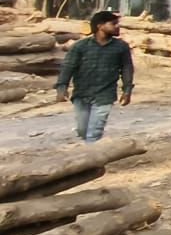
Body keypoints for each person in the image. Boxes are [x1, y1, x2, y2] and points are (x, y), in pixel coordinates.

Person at [55, 11, 134, 143]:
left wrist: (127, 91)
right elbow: (68, 67)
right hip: (82, 93)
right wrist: (61, 88)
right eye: (113, 24)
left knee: (94, 133)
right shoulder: (80, 46)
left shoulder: (121, 47)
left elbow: (127, 69)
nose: (117, 27)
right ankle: (91, 155)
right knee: (82, 130)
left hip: (105, 95)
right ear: (100, 26)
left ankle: (91, 160)